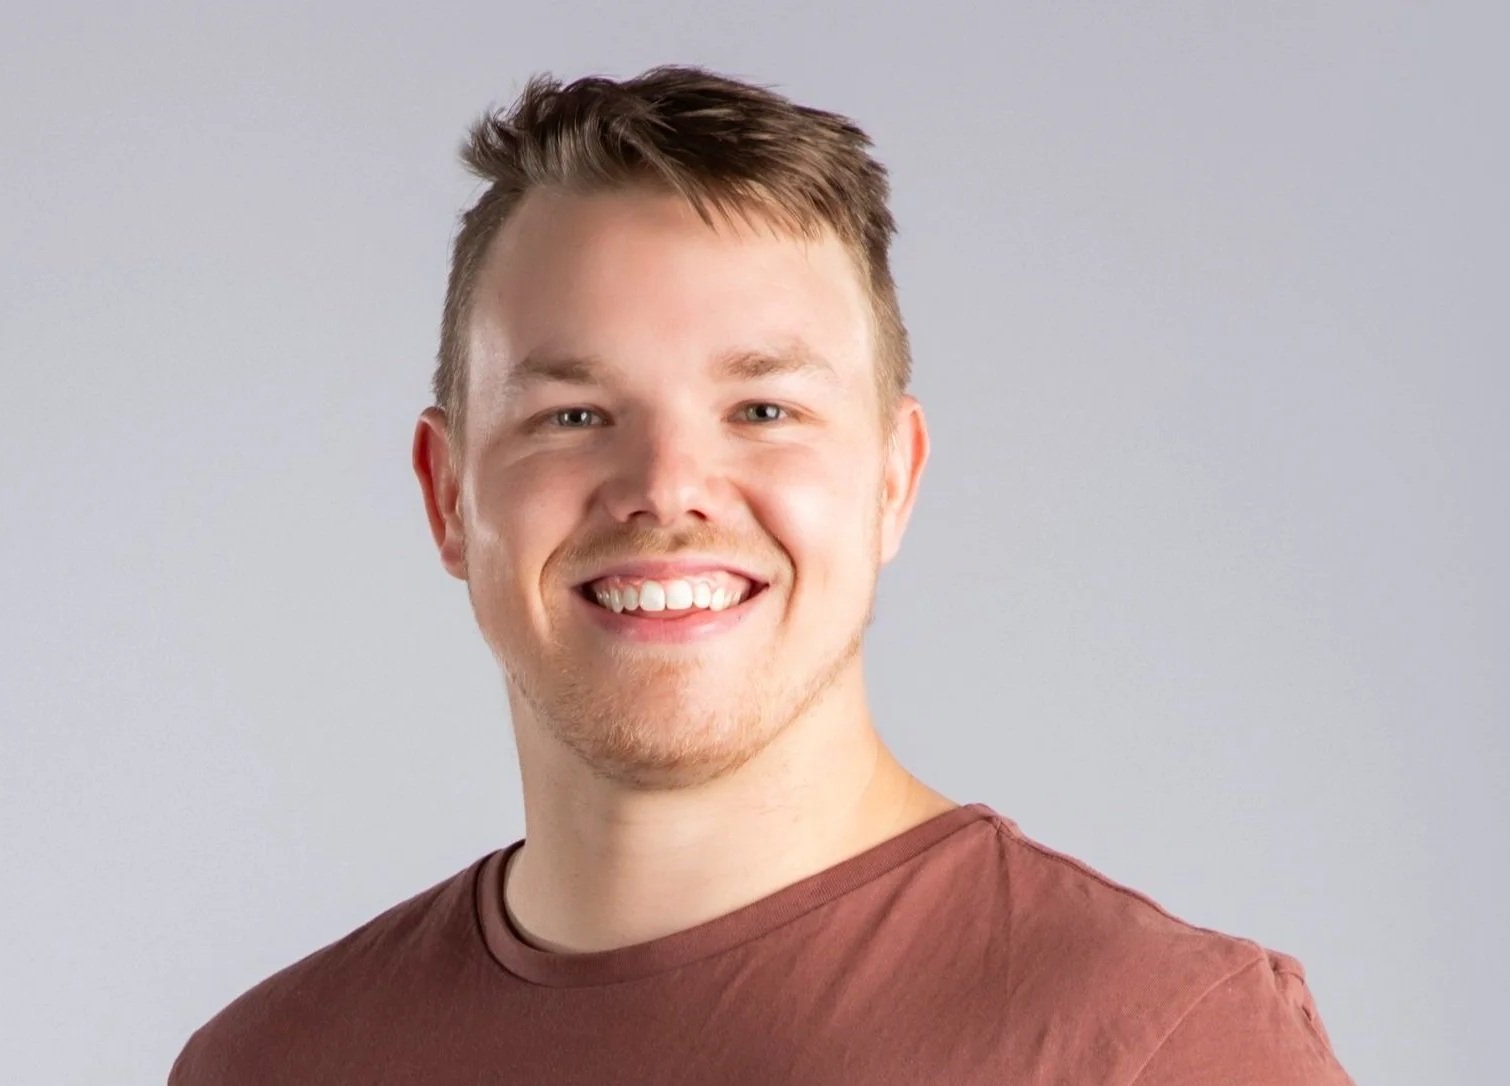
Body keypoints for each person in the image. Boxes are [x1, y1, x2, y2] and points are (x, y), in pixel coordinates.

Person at [169, 65, 1354, 1084]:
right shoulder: (273, 1062)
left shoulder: (1157, 1045)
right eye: (574, 414)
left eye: (762, 410)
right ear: (447, 495)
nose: (666, 487)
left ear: (892, 478)